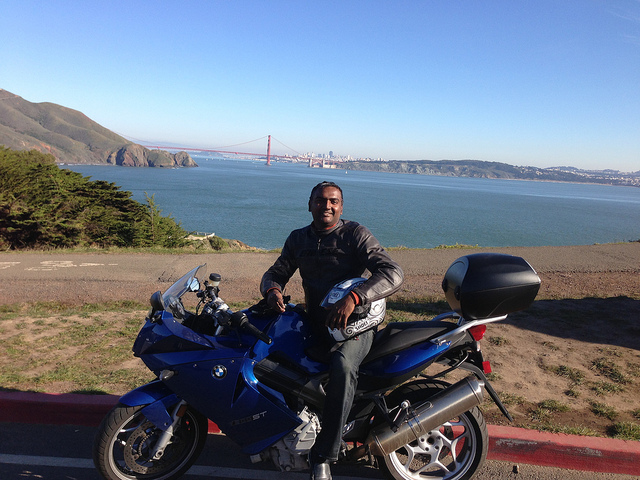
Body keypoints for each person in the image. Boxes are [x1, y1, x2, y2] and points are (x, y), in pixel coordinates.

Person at [260, 181, 404, 480]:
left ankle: (325, 454)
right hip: (314, 320)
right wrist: (272, 289)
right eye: (320, 200)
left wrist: (355, 298)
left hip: (354, 325)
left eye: (333, 201)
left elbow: (392, 272)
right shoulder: (298, 238)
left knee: (342, 364)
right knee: (269, 348)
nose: (327, 206)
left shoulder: (355, 234)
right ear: (310, 204)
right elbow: (277, 271)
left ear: (341, 206)